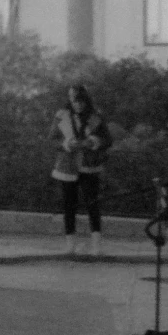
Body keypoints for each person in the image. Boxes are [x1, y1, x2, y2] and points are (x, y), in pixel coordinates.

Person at [51, 83, 112, 257]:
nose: (76, 104)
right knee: (68, 205)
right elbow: (52, 139)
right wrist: (67, 144)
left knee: (92, 204)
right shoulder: (61, 116)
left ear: (85, 100)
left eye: (79, 100)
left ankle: (96, 245)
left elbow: (108, 139)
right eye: (73, 100)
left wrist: (93, 141)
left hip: (89, 165)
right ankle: (70, 244)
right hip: (67, 165)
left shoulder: (95, 117)